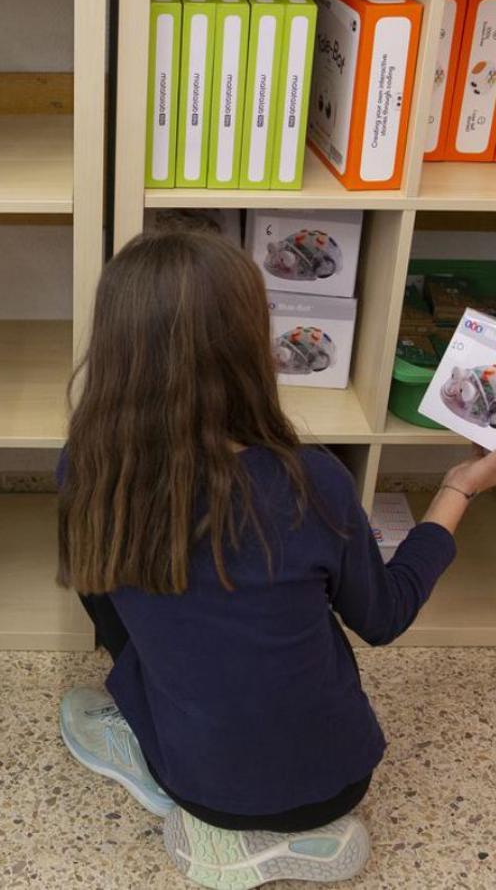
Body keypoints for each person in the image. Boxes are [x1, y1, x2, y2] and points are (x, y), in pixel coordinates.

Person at [56, 229, 496, 890]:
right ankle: (261, 824)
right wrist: (458, 489)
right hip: (340, 782)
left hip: (200, 786)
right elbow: (384, 616)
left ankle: (172, 777)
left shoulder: (88, 471)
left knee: (126, 611)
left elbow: (101, 596)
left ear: (116, 348)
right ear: (250, 346)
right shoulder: (312, 481)